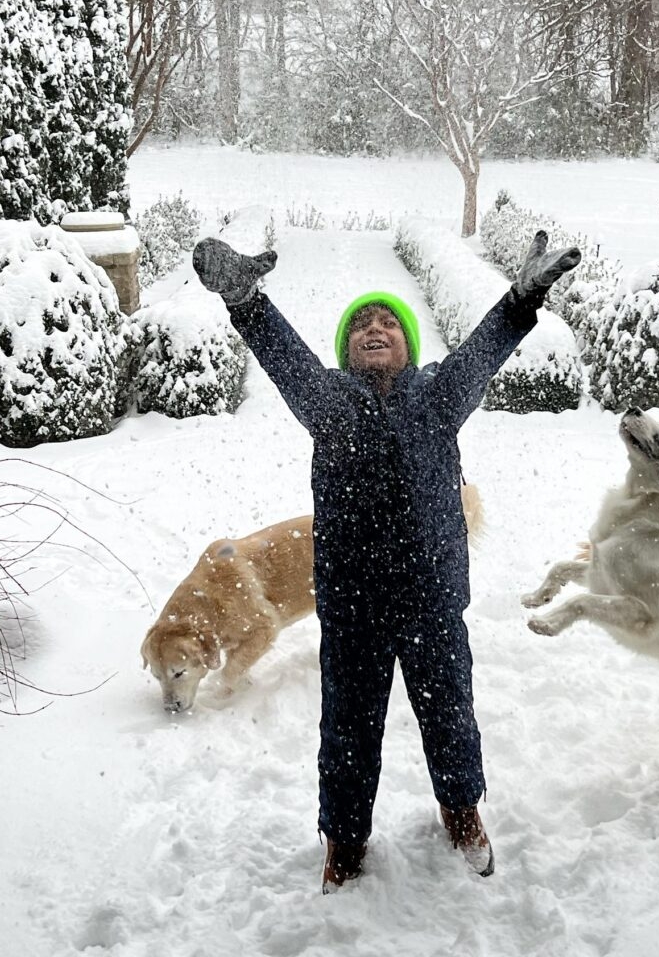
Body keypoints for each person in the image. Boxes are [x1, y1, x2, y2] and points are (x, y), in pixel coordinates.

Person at [192, 229, 581, 893]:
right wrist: (245, 299)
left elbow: (483, 352)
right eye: (361, 325)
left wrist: (521, 299)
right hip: (352, 612)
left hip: (432, 602)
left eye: (387, 322)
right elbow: (284, 356)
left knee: (450, 716)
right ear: (347, 351)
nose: (375, 328)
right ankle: (344, 841)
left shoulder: (436, 396)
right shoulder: (330, 403)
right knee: (347, 734)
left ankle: (460, 812)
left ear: (407, 343)